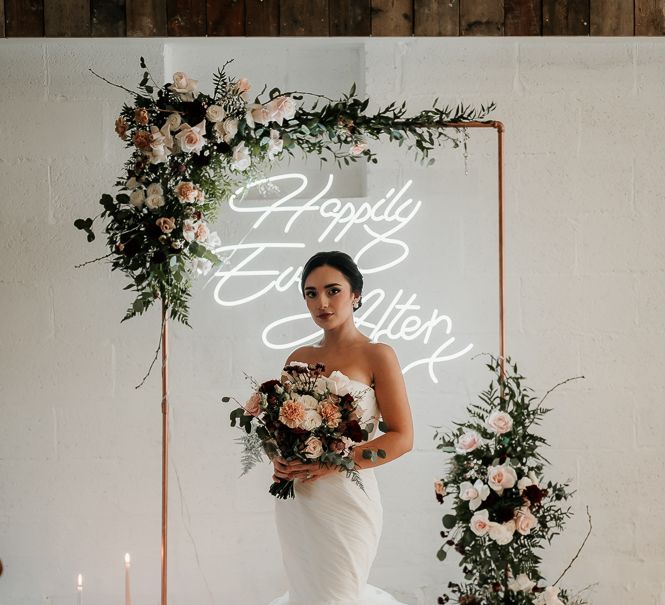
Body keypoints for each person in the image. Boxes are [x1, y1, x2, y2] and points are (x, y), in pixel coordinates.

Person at [268, 251, 414, 605]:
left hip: (348, 498)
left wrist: (334, 462)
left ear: (356, 295)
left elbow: (403, 437)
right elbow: (281, 428)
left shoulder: (378, 355)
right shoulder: (297, 358)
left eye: (333, 290)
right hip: (300, 498)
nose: (322, 302)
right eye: (311, 293)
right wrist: (278, 458)